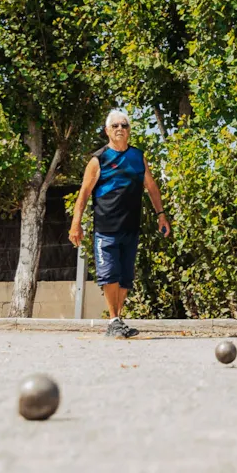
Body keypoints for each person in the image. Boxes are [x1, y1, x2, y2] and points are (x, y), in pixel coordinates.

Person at [69, 109, 171, 338]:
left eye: (124, 125)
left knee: (125, 276)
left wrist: (161, 214)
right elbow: (84, 194)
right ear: (107, 131)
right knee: (109, 275)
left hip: (131, 227)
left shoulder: (137, 157)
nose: (120, 129)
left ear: (129, 130)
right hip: (106, 229)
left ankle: (118, 320)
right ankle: (114, 318)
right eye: (115, 125)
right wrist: (76, 223)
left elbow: (152, 187)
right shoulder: (99, 160)